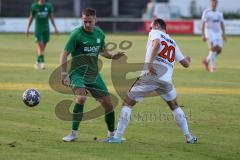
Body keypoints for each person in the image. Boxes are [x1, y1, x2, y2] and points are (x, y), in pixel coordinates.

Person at [104, 18, 197, 144]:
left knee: (127, 103)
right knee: (174, 106)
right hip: (166, 81)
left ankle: (118, 136)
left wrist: (149, 64)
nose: (150, 30)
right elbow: (185, 64)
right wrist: (188, 59)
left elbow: (157, 43)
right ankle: (189, 136)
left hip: (150, 76)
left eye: (151, 27)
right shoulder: (173, 43)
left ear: (157, 25)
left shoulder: (156, 33)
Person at [60, 8, 125, 142]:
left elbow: (102, 51)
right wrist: (63, 73)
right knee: (81, 98)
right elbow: (64, 53)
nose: (87, 25)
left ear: (95, 19)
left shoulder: (100, 34)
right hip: (77, 74)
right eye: (85, 21)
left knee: (108, 105)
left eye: (90, 21)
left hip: (93, 75)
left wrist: (112, 56)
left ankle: (112, 135)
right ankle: (73, 134)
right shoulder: (76, 34)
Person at [26, 0, 58, 69]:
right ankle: (42, 63)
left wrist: (55, 28)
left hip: (46, 29)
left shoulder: (48, 6)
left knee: (43, 47)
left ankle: (38, 62)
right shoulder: (34, 6)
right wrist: (27, 28)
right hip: (38, 29)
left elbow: (51, 17)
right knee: (40, 45)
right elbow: (31, 18)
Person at [201, 0, 227, 72]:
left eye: (215, 3)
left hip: (218, 33)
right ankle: (213, 68)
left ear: (217, 4)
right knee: (212, 49)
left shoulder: (219, 13)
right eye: (212, 3)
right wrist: (203, 34)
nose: (213, 4)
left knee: (219, 50)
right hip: (209, 32)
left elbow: (222, 23)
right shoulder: (206, 12)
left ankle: (206, 60)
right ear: (210, 3)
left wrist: (224, 34)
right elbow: (203, 23)